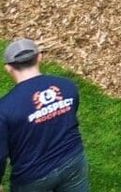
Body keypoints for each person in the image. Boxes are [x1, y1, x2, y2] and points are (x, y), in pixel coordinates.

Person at [0, 40, 87, 192]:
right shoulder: (67, 86)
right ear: (40, 57)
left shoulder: (5, 108)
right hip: (73, 160)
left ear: (8, 68)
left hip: (32, 177)